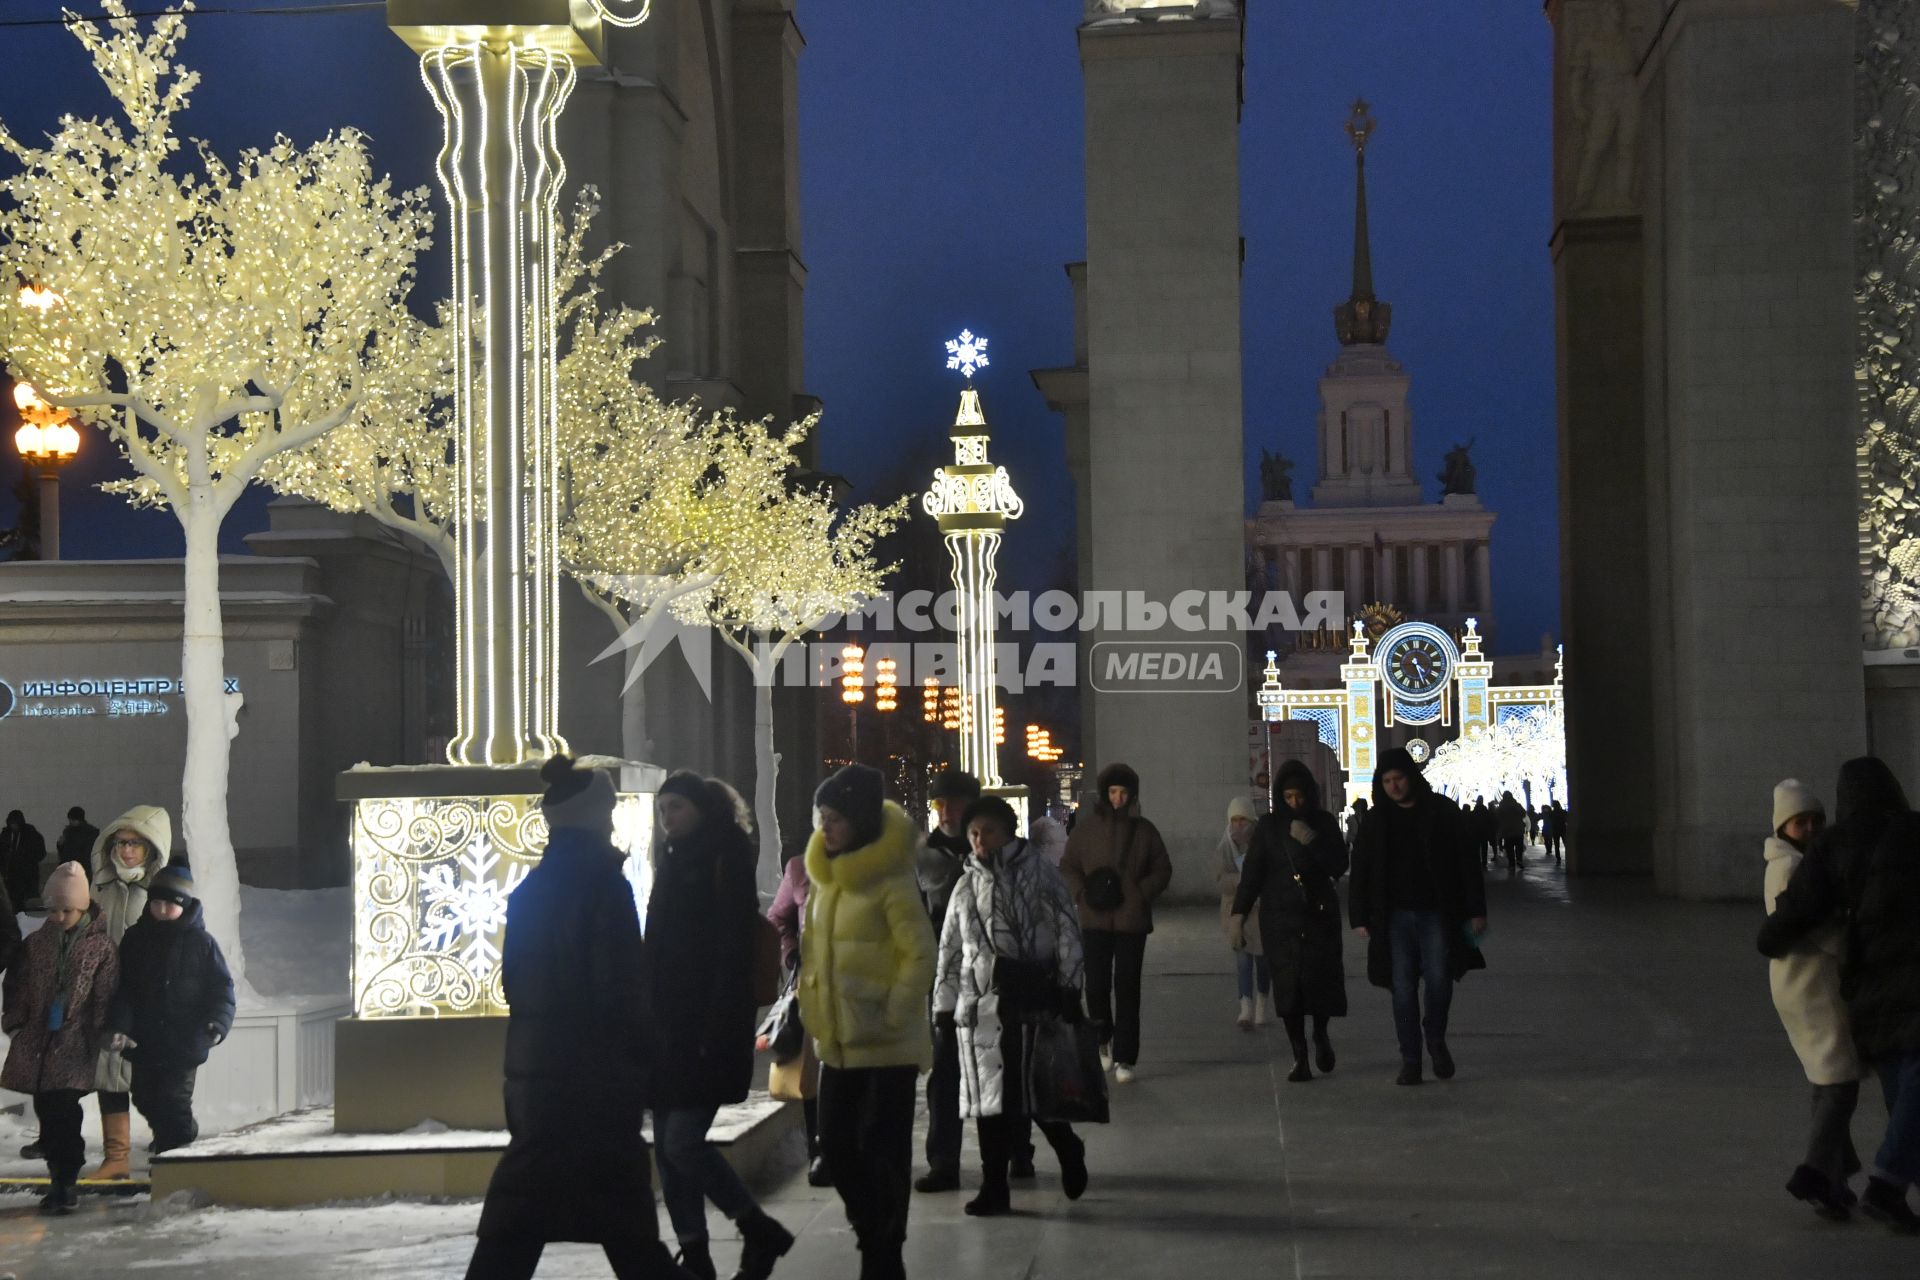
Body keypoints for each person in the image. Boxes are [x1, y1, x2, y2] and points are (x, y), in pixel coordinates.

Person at [465, 755, 685, 1280]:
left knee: (519, 1224)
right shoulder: (606, 888)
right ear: (592, 818)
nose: (612, 821)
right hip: (595, 1080)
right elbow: (621, 990)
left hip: (538, 1078)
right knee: (621, 1224)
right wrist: (651, 1059)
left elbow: (515, 984)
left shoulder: (530, 891)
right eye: (607, 811)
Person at [1760, 757, 1920, 1235]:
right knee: (1869, 1084)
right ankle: (1880, 1181)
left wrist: (1772, 938)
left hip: (1868, 987)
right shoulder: (1912, 833)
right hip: (1906, 977)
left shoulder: (1832, 848)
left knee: (1887, 1083)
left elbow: (1786, 924)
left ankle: (1842, 1176)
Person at [646, 772, 794, 1280]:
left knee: (681, 1143)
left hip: (707, 1024)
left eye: (677, 808)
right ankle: (698, 1255)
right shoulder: (668, 861)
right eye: (662, 809)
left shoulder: (723, 858)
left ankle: (757, 1228)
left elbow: (731, 948)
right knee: (668, 1150)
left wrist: (716, 1024)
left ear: (702, 810)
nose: (668, 818)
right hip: (668, 1025)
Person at [799, 765, 936, 1280]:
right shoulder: (826, 879)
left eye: (834, 818)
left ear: (858, 820)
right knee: (834, 1145)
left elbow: (920, 954)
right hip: (837, 1039)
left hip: (886, 1044)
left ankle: (885, 1254)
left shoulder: (890, 880)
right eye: (821, 818)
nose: (825, 828)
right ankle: (872, 1230)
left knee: (885, 1151)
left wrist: (894, 1012)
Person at [932, 796, 1090, 1217]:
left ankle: (1067, 1147)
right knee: (989, 1099)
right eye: (973, 834)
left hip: (1033, 998)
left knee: (1033, 1090)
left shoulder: (1041, 875)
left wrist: (1070, 988)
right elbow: (950, 949)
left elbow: (1067, 931)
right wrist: (944, 1006)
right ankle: (993, 1186)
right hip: (981, 1004)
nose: (980, 841)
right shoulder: (965, 884)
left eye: (988, 832)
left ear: (1009, 831)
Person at [1349, 747, 1487, 1086]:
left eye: (1398, 779)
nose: (1394, 786)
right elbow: (1362, 869)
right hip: (1393, 917)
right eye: (1387, 781)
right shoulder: (1376, 821)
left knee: (1440, 980)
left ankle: (1435, 1036)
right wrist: (1359, 915)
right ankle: (1410, 1058)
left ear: (1411, 777)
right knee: (1402, 988)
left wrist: (1475, 909)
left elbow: (1466, 862)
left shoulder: (1442, 812)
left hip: (1436, 913)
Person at [1756, 779, 1861, 1220]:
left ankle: (1836, 1177)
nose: (1813, 828)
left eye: (1816, 820)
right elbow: (1813, 925)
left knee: (1827, 1077)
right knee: (1838, 1080)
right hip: (1813, 983)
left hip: (1799, 981)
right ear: (1785, 827)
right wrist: (1852, 947)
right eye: (1803, 822)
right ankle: (1817, 1172)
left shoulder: (1786, 862)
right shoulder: (1794, 869)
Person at [0, 861, 118, 1215]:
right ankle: (57, 1173)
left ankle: (65, 1180)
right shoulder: (37, 943)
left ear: (83, 907)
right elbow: (17, 985)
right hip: (38, 1042)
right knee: (46, 1110)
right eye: (53, 910)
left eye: (67, 910)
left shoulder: (100, 947)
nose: (60, 916)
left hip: (74, 1043)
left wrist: (103, 1030)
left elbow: (105, 993)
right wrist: (16, 1022)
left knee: (64, 1111)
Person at [104, 865, 235, 1155]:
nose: (162, 910)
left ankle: (174, 1148)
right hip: (145, 1038)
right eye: (156, 903)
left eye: (170, 904)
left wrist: (216, 1023)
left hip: (185, 1039)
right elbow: (125, 988)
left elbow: (221, 988)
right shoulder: (136, 939)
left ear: (184, 906)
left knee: (173, 1099)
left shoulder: (201, 943)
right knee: (143, 1096)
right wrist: (119, 1027)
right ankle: (173, 1133)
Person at [1230, 761, 1348, 1081]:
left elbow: (1339, 864)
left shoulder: (1323, 822)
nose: (1294, 803)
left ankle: (1320, 1034)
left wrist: (1313, 841)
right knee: (1288, 987)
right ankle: (1300, 1056)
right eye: (1288, 796)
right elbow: (1252, 873)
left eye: (1299, 796)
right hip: (1280, 919)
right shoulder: (1269, 827)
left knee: (1320, 983)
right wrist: (1238, 915)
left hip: (1318, 914)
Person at [1059, 763, 1172, 1084]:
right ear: (1105, 794)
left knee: (1127, 988)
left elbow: (1162, 869)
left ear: (1131, 795)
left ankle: (1125, 1057)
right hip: (1094, 918)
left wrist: (1140, 893)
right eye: (1113, 792)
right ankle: (1101, 1036)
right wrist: (1080, 892)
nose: (1118, 798)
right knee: (1095, 986)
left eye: (1123, 793)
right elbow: (1069, 865)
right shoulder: (1086, 831)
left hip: (1131, 921)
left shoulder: (1145, 831)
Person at [86, 805, 173, 1181]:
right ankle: (115, 1157)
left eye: (136, 844)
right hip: (106, 995)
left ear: (151, 849)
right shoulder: (99, 886)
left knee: (154, 1079)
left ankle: (167, 1146)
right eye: (121, 842)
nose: (127, 851)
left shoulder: (161, 890)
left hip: (148, 1000)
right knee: (110, 1075)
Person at [912, 769, 980, 1195]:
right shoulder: (923, 855)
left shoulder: (992, 847)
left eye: (953, 803)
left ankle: (1016, 1150)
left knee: (999, 1065)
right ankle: (943, 1161)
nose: (946, 811)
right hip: (945, 977)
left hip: (994, 976)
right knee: (945, 1069)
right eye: (940, 804)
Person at [767, 851, 829, 1188]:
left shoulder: (876, 860)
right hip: (813, 984)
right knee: (812, 1070)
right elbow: (779, 917)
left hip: (862, 986)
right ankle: (820, 1150)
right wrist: (791, 953)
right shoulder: (800, 867)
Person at [1215, 796, 1270, 1030]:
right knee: (1243, 961)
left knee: (1264, 962)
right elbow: (1220, 880)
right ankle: (1245, 1008)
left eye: (1242, 819)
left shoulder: (1263, 843)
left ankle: (1261, 1006)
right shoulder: (1224, 847)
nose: (1238, 825)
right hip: (1237, 913)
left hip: (1262, 911)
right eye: (1234, 819)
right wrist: (1242, 881)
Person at [1, 809, 48, 909]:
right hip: (10, 877)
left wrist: (27, 859)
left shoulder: (31, 834)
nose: (13, 826)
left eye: (15, 824)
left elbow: (41, 853)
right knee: (13, 905)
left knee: (30, 905)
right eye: (11, 824)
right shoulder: (6, 835)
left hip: (28, 876)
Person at [1496, 792, 1526, 871]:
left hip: (1507, 830)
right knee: (1519, 846)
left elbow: (1497, 816)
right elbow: (1523, 813)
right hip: (1518, 829)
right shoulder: (1517, 805)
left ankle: (1512, 863)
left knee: (1509, 848)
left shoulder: (1501, 806)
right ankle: (1519, 859)